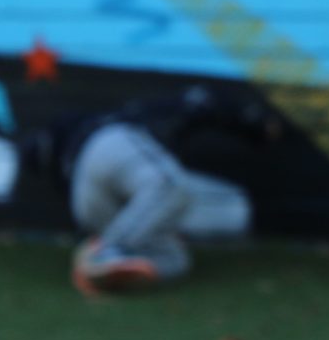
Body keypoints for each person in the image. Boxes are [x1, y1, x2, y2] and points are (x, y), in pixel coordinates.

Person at [19, 84, 283, 295]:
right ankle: (105, 254)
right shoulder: (130, 115)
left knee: (176, 261)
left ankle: (104, 265)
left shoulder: (53, 156)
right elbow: (202, 99)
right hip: (108, 145)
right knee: (171, 187)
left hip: (84, 204)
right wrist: (256, 125)